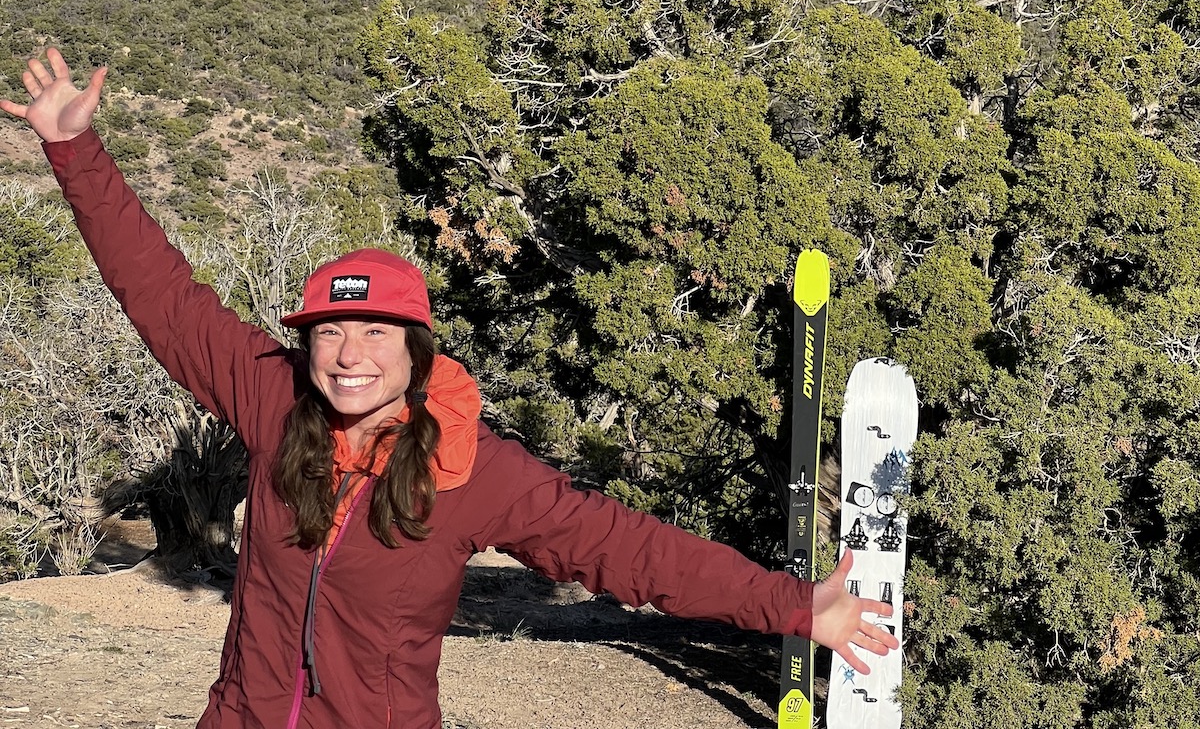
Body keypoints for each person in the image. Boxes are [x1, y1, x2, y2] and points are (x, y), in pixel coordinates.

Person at [2, 48, 898, 729]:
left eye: (377, 333)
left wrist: (790, 603)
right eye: (330, 332)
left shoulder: (478, 471)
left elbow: (629, 552)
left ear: (419, 350)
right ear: (305, 344)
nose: (351, 353)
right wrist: (74, 151)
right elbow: (161, 297)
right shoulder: (273, 401)